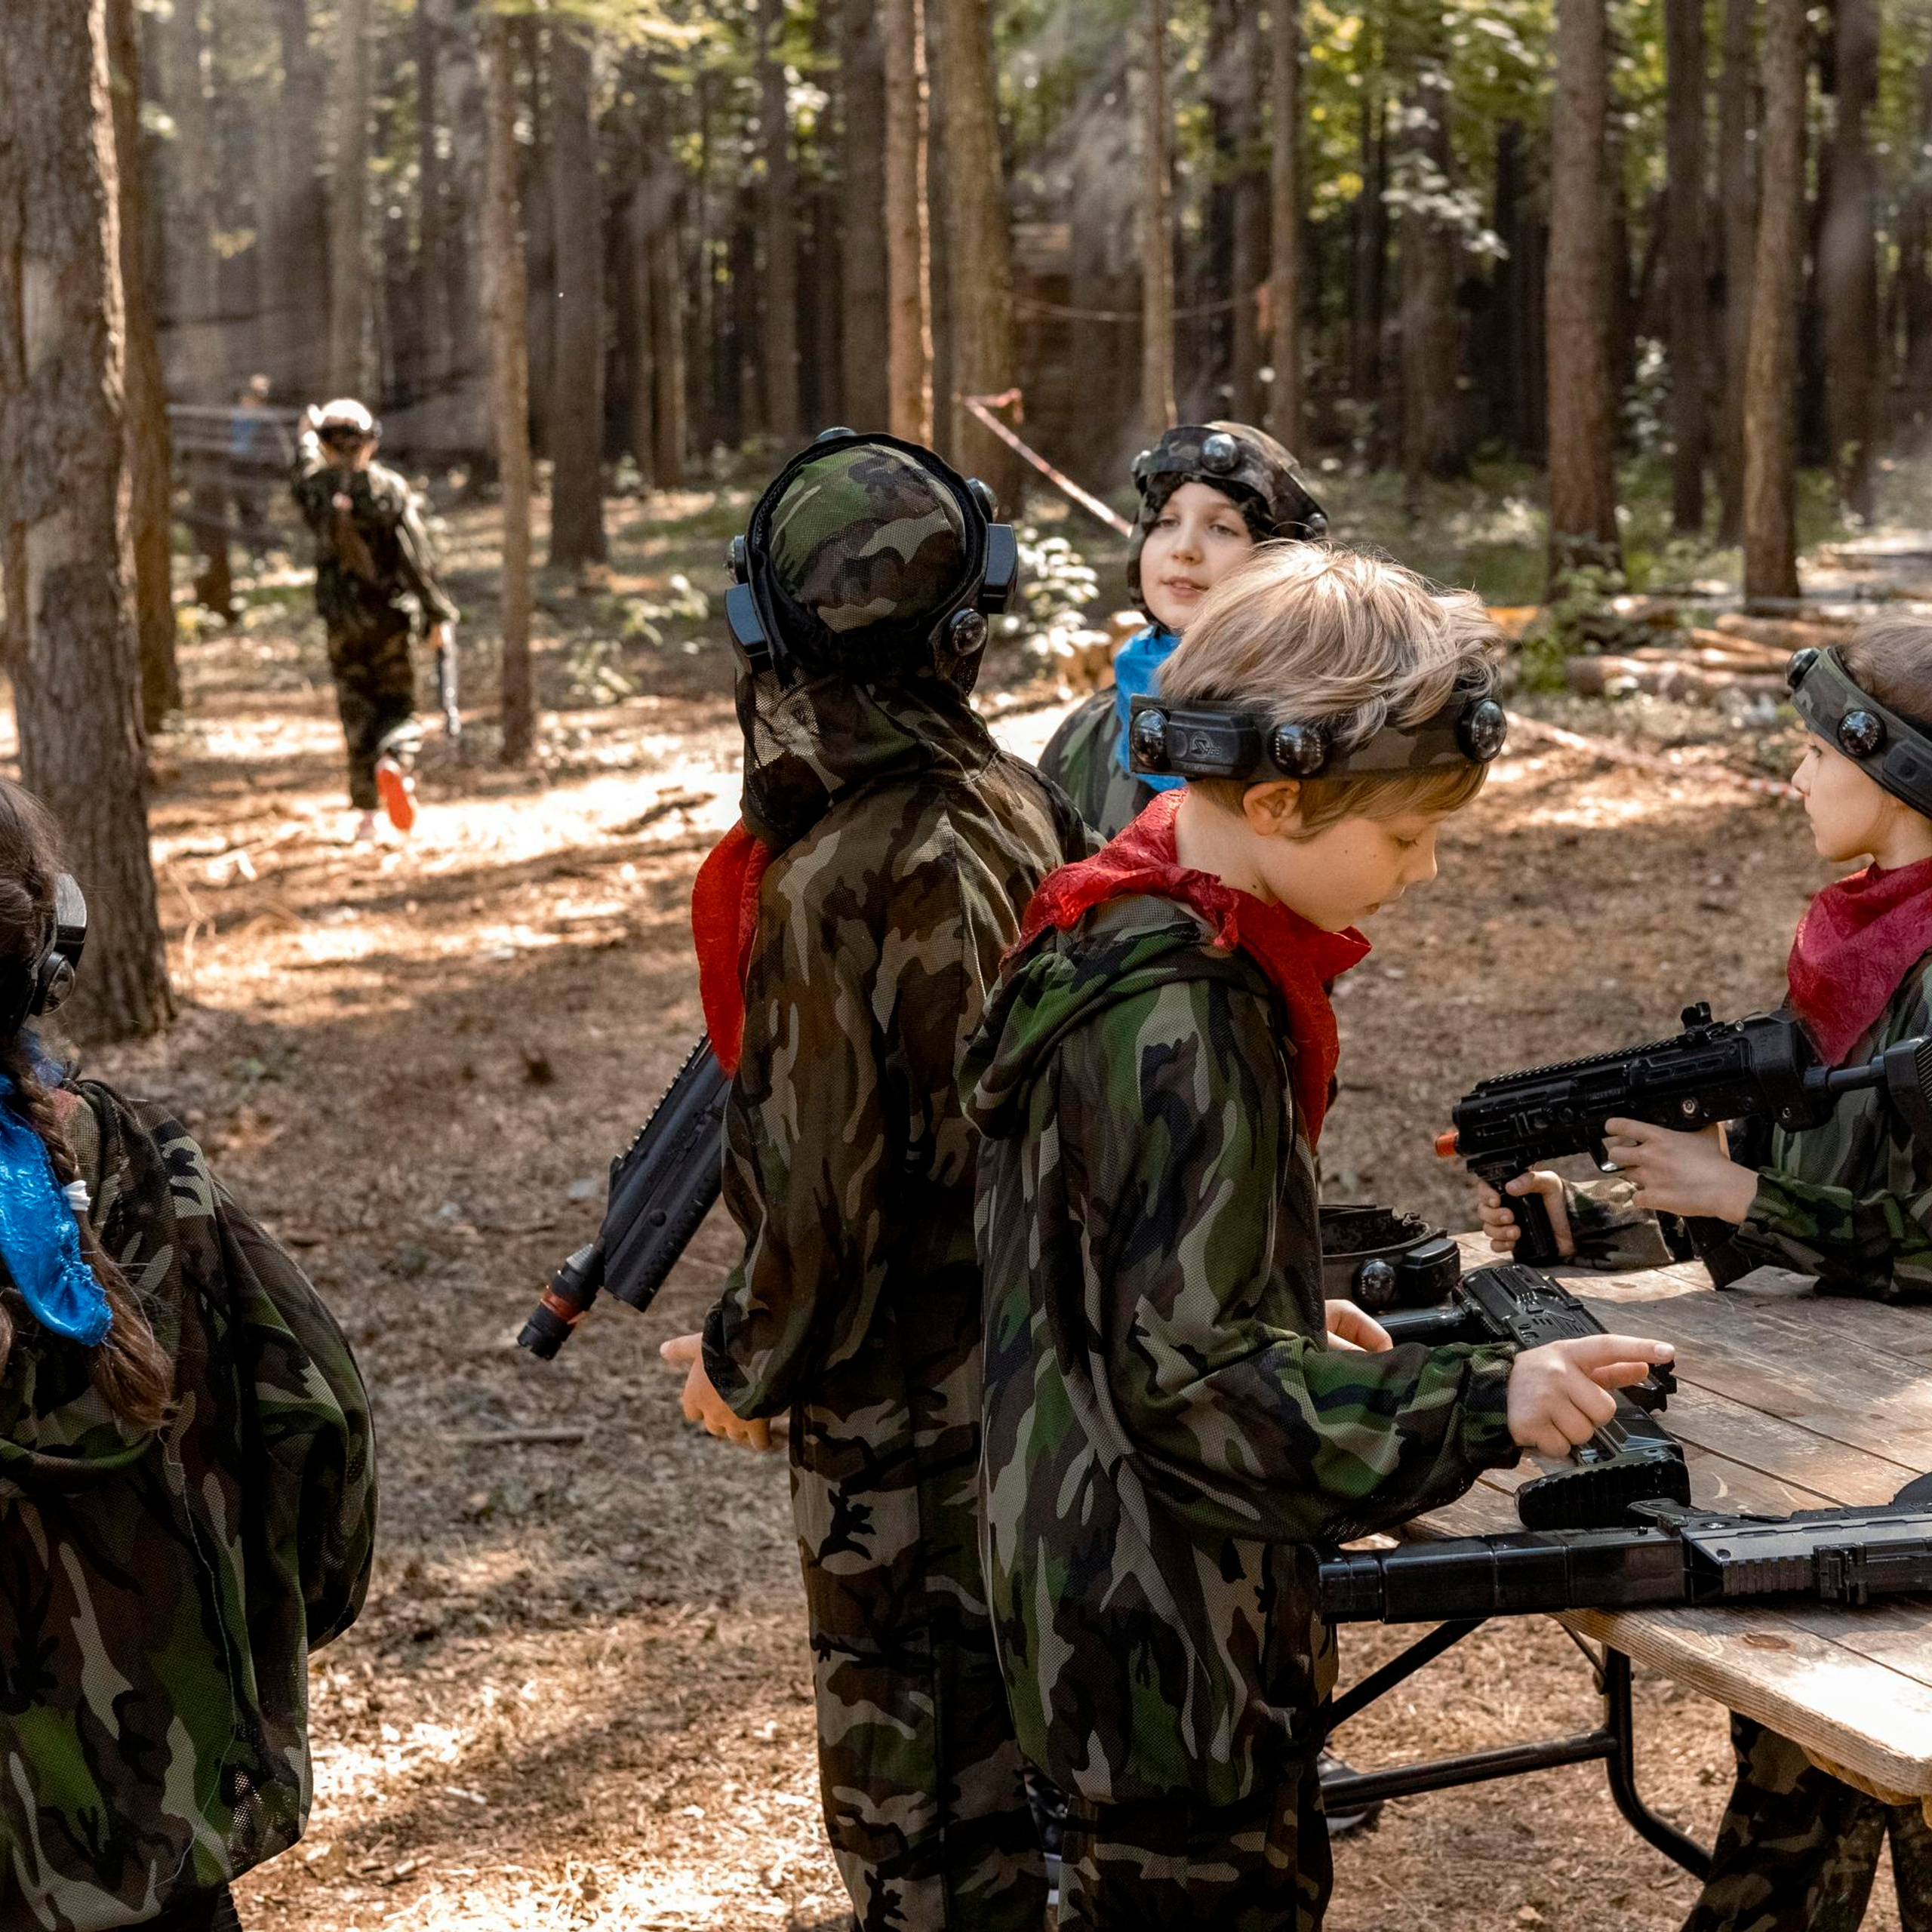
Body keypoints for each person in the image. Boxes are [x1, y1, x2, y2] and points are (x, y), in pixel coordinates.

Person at [970, 543, 1675, 1932]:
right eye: (1406, 836)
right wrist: (1488, 1397)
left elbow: (1128, 1296)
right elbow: (1193, 1392)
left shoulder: (1127, 918)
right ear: (1281, 798)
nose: (1424, 870)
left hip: (1112, 1583)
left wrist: (1289, 1313)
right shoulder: (1183, 1008)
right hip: (1168, 1632)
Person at [656, 430, 1091, 1932]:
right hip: (1038, 1378)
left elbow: (821, 1196)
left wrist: (737, 1357)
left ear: (768, 631)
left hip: (902, 1424)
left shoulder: (840, 864)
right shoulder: (1011, 797)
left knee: (922, 1835)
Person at [1480, 618, 1932, 1932]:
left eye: (1809, 753)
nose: (1793, 781)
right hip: (1831, 1437)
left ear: (1891, 766)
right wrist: (1625, 1219)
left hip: (1898, 1461)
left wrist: (1746, 1193)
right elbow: (1809, 1204)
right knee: (1802, 1782)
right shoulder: (1855, 939)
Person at [0, 778, 377, 1930]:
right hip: (162, 1836)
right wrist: (258, 1644)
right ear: (46, 947)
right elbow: (324, 1412)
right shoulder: (149, 1163)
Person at [1038, 421, 1327, 837]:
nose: (1184, 549)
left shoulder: (1309, 736)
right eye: (1166, 521)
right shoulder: (1086, 734)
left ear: (1278, 561)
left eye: (1221, 528)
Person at [291, 398, 458, 843]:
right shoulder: (388, 490)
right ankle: (395, 761)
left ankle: (367, 816)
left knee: (356, 711)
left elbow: (304, 468)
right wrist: (437, 614)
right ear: (371, 443)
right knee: (399, 708)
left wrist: (306, 436)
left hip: (340, 623)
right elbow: (415, 560)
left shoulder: (315, 489)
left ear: (326, 445)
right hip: (388, 620)